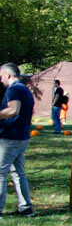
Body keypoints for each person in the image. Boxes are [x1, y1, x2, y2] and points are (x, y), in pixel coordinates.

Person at [0, 63, 35, 217]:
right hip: (22, 136)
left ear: (7, 75)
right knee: (17, 172)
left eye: (1, 76)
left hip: (10, 137)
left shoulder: (13, 89)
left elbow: (14, 110)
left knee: (1, 173)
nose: (0, 80)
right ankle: (25, 207)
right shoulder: (25, 89)